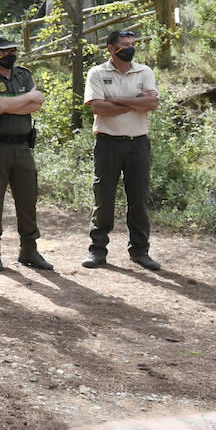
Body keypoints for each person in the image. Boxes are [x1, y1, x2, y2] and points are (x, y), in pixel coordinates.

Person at [82, 30, 161, 271]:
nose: (130, 48)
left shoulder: (144, 72)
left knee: (138, 198)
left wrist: (115, 99)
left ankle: (139, 251)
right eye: (124, 45)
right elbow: (97, 107)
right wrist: (135, 101)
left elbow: (152, 103)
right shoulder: (97, 72)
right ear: (110, 48)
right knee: (103, 198)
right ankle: (97, 251)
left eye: (132, 44)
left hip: (138, 143)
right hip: (108, 143)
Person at [0, 35, 53, 272]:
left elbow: (37, 104)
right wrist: (17, 102)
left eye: (13, 51)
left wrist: (4, 106)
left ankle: (29, 251)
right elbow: (0, 105)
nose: (10, 55)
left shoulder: (23, 74)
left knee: (28, 199)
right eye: (4, 52)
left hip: (22, 146)